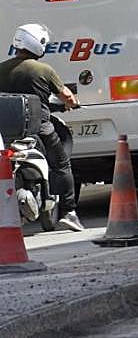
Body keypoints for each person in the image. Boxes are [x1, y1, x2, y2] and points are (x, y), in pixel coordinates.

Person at [0, 23, 84, 232]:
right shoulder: (43, 70)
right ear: (39, 44)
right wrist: (72, 103)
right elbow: (66, 96)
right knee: (62, 164)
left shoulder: (1, 68)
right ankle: (68, 213)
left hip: (6, 132)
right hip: (39, 128)